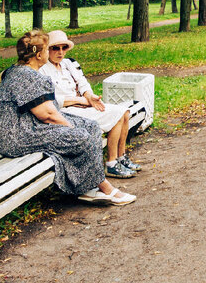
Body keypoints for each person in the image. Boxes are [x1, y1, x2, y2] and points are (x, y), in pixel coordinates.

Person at [0, 29, 134, 206]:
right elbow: (48, 116)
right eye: (46, 49)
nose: (49, 52)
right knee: (81, 135)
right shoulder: (26, 76)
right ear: (37, 54)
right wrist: (71, 127)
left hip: (30, 125)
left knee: (91, 126)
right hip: (16, 136)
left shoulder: (26, 71)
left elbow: (47, 111)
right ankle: (103, 187)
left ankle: (88, 187)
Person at [39, 29, 141, 178]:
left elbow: (83, 83)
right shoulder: (42, 69)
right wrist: (81, 100)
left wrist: (90, 96)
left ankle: (121, 157)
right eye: (55, 48)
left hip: (81, 105)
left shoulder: (67, 64)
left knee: (124, 111)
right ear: (47, 49)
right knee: (117, 114)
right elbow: (54, 101)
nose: (60, 52)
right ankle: (111, 164)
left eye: (64, 48)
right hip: (65, 112)